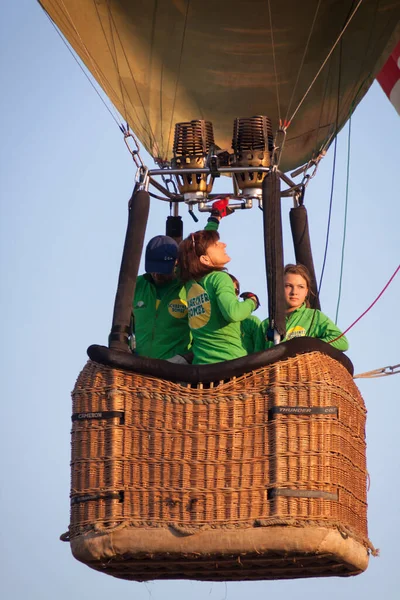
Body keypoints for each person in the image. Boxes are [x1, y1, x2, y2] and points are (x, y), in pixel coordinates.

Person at [131, 199, 231, 360]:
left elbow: (200, 247)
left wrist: (215, 217)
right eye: (154, 271)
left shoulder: (186, 284)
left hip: (176, 371)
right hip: (140, 371)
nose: (157, 275)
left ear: (176, 264)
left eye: (163, 271)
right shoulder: (137, 286)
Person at [178, 229, 260, 364]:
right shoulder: (219, 278)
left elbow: (192, 251)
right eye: (216, 244)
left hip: (201, 370)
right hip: (229, 366)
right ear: (204, 259)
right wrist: (252, 302)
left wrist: (214, 220)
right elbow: (233, 313)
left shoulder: (190, 285)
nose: (224, 245)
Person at [257, 263, 349, 351]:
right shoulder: (266, 325)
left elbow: (342, 342)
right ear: (279, 289)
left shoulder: (314, 316)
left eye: (300, 287)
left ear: (306, 291)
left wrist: (309, 346)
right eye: (288, 286)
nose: (294, 292)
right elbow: (256, 360)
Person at [228, 274, 262, 354]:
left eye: (236, 291)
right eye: (228, 291)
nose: (232, 294)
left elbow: (261, 353)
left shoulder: (251, 322)